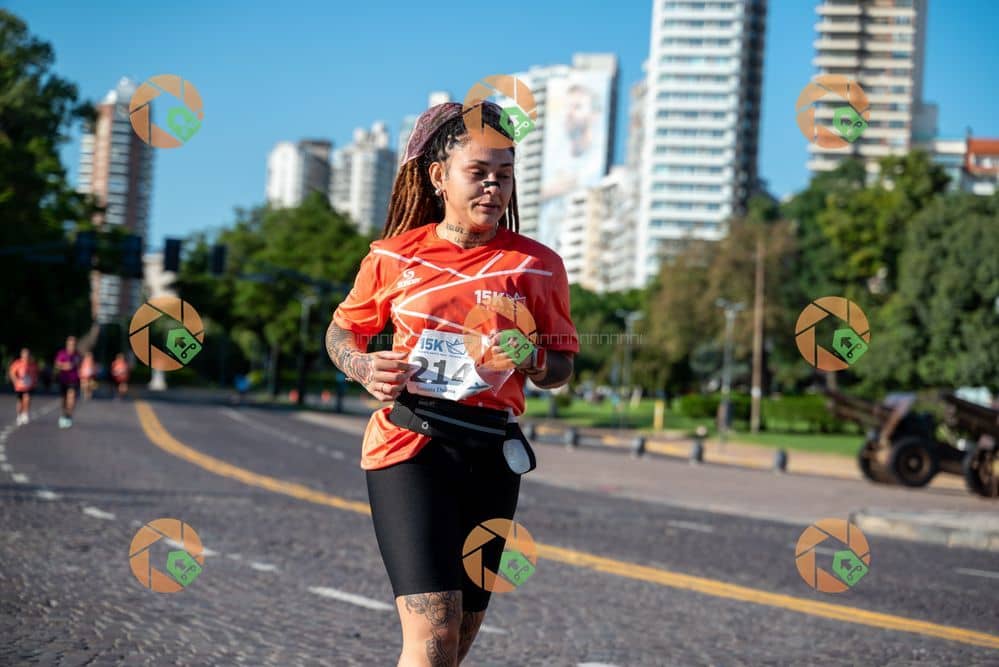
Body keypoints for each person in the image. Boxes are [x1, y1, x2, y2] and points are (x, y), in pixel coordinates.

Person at [326, 101, 578, 667]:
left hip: (491, 457)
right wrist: (362, 366)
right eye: (479, 172)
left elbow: (561, 368)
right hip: (410, 447)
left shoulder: (539, 266)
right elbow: (341, 332)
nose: (493, 186)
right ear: (439, 176)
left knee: (456, 641)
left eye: (504, 174)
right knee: (434, 634)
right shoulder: (393, 257)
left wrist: (533, 359)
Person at [54, 336, 81, 429]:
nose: (72, 346)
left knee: (71, 399)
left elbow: (78, 365)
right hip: (63, 380)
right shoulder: (62, 353)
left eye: (73, 344)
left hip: (74, 380)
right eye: (70, 344)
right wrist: (65, 366)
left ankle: (68, 416)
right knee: (63, 400)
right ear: (67, 345)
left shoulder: (77, 355)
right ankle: (63, 415)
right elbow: (57, 364)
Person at [8, 348, 39, 426]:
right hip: (19, 386)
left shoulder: (32, 364)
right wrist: (15, 381)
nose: (26, 356)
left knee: (27, 398)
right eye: (24, 354)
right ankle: (19, 415)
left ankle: (25, 413)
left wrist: (34, 382)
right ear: (21, 355)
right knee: (20, 401)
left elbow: (35, 374)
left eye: (27, 354)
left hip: (28, 386)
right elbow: (12, 373)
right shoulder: (17, 363)